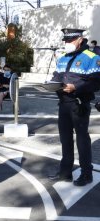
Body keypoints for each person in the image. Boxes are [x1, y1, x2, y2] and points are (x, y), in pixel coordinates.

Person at [48, 28, 100, 186]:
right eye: (66, 41)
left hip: (79, 104)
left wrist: (76, 87)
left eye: (70, 41)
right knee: (65, 139)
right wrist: (50, 84)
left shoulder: (92, 57)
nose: (67, 44)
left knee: (82, 140)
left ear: (80, 39)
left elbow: (96, 82)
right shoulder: (63, 58)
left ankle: (86, 174)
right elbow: (56, 76)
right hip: (64, 103)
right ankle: (65, 173)